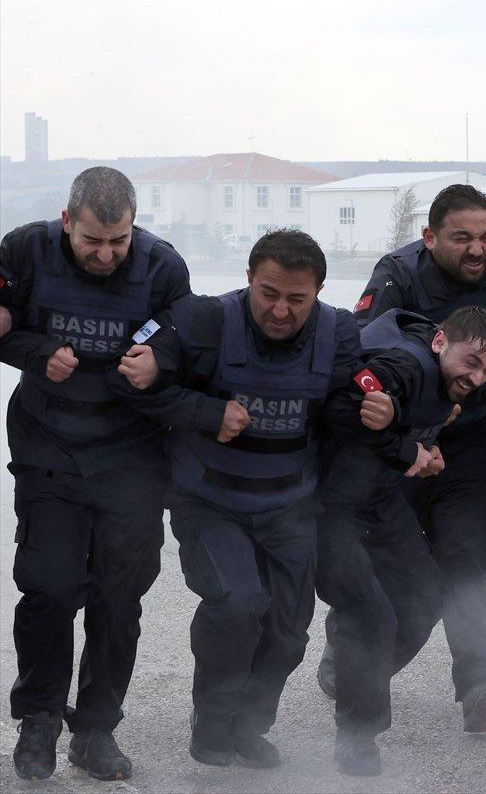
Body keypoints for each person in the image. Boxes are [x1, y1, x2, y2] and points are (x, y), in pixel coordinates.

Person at [109, 229, 363, 768]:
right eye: (268, 293)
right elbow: (129, 382)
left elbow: (345, 409)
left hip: (291, 504)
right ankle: (213, 716)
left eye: (297, 299)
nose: (280, 310)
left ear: (319, 290)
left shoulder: (339, 332)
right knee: (239, 603)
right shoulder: (205, 319)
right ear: (248, 278)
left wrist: (388, 416)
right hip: (210, 499)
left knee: (291, 629)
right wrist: (204, 411)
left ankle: (249, 724)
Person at [321, 184, 486, 731]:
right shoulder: (398, 273)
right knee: (394, 568)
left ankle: (480, 680)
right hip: (401, 442)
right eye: (461, 238)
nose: (478, 250)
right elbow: (364, 349)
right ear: (430, 238)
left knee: (471, 553)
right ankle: (350, 650)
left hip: (469, 442)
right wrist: (410, 428)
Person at [0, 167, 191, 781]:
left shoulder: (163, 266)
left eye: (119, 240)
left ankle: (97, 728)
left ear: (134, 225)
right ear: (66, 222)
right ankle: (39, 721)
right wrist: (34, 353)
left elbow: (186, 337)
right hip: (49, 443)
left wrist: (157, 360)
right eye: (93, 242)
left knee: (118, 596)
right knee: (50, 587)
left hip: (132, 453)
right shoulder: (24, 250)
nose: (107, 254)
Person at [317, 306, 486, 775]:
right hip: (328, 508)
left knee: (426, 598)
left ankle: (353, 674)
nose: (478, 377)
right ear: (440, 342)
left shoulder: (443, 380)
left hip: (379, 501)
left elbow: (400, 429)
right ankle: (357, 732)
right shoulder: (403, 365)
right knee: (369, 612)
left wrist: (425, 449)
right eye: (472, 362)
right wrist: (408, 451)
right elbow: (340, 407)